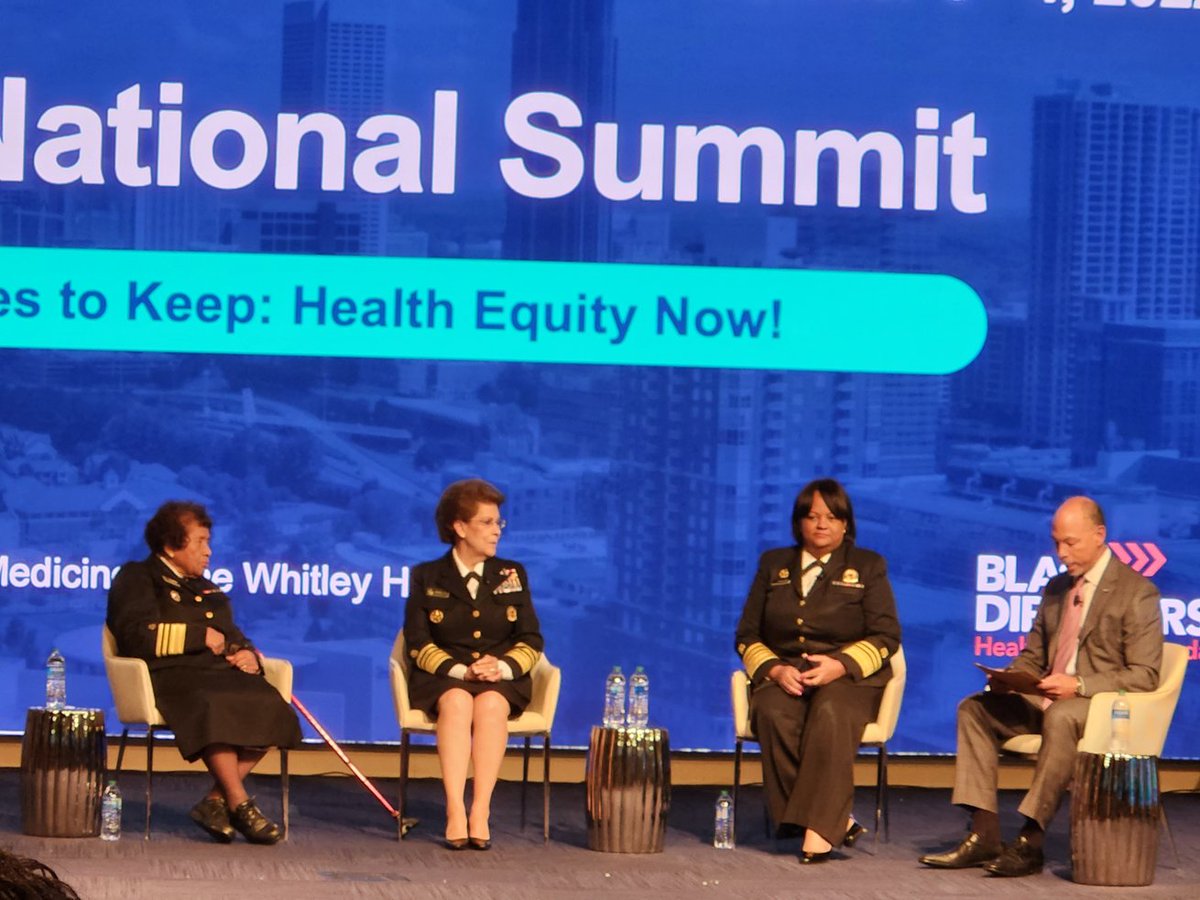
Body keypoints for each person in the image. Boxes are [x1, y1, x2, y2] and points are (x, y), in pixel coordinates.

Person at [919, 496, 1162, 877]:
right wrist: (1009, 678)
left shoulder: (1136, 591)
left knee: (1062, 715)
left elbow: (1145, 675)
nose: (1061, 553)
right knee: (975, 709)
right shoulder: (1055, 588)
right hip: (1048, 699)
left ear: (1099, 535)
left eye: (1071, 543)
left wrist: (1079, 684)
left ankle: (1031, 840)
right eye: (1056, 543)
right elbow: (1034, 655)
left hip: (1099, 706)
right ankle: (983, 833)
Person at [106, 501, 302, 845]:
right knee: (213, 703)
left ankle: (214, 801)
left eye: (208, 542)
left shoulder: (207, 588)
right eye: (200, 541)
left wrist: (247, 653)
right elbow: (134, 634)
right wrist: (197, 637)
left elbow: (231, 634)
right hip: (168, 675)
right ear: (171, 545)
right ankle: (240, 803)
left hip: (215, 673)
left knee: (271, 703)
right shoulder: (138, 577)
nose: (208, 551)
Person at [734, 478, 901, 863]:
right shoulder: (773, 564)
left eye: (831, 517)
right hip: (789, 674)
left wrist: (840, 665)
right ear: (798, 523)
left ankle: (821, 831)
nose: (821, 524)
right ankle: (834, 819)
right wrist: (775, 670)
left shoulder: (868, 566)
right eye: (811, 516)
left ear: (845, 523)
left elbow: (887, 636)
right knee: (772, 711)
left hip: (849, 678)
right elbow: (746, 635)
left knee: (830, 711)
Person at [402, 478, 544, 850]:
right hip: (444, 676)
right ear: (460, 527)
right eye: (487, 522)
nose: (497, 531)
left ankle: (480, 809)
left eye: (499, 522)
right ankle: (454, 808)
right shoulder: (426, 576)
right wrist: (461, 671)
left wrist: (502, 667)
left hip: (500, 677)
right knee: (457, 702)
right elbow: (418, 642)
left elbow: (531, 639)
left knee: (492, 704)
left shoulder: (512, 574)